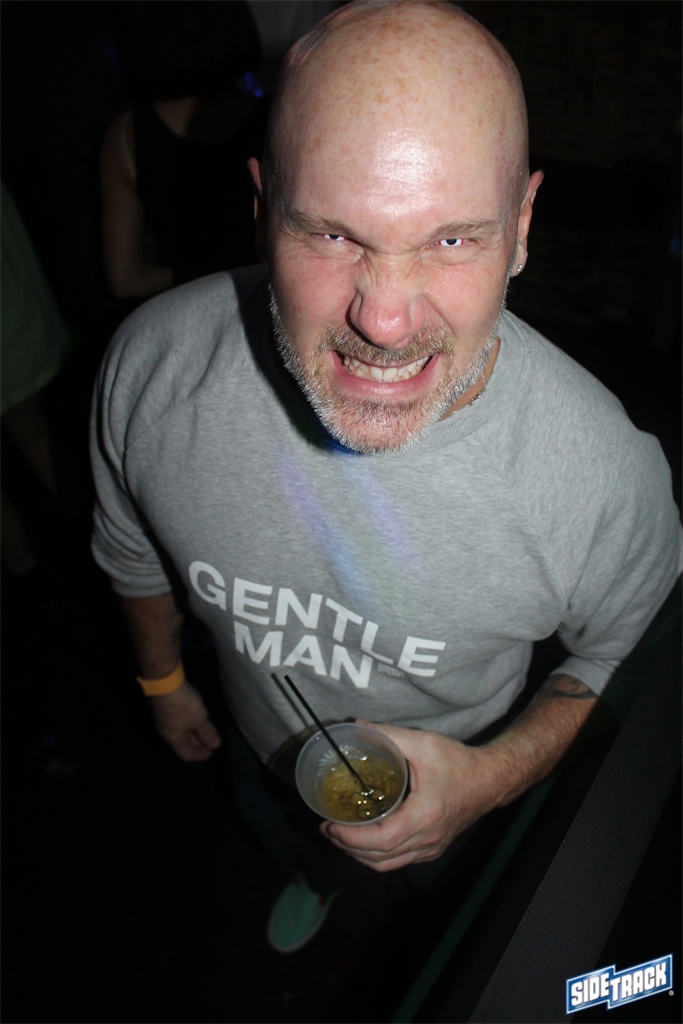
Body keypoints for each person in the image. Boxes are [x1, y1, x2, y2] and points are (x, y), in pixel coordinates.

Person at [90, 0, 682, 955]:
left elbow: (629, 660)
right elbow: (130, 553)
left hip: (460, 772)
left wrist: (486, 781)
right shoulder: (151, 368)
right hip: (256, 745)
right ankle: (314, 874)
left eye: (452, 239)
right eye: (332, 235)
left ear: (521, 226)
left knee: (440, 903)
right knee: (283, 829)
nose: (385, 319)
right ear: (261, 210)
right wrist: (164, 685)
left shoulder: (605, 478)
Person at [100, 1, 267, 300]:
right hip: (271, 302)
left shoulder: (126, 137)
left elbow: (126, 280)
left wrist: (202, 274)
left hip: (194, 310)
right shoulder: (281, 115)